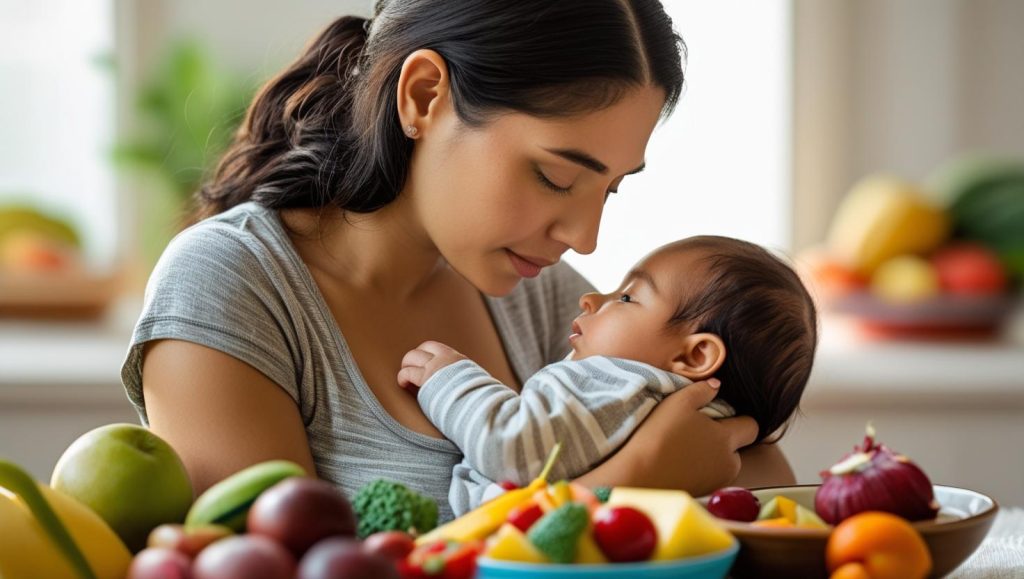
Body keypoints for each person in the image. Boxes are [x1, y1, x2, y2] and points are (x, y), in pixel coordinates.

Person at [121, 0, 795, 523]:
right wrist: (617, 485)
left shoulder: (544, 296)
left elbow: (757, 464)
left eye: (610, 188)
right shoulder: (230, 288)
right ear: (422, 96)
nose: (585, 236)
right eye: (556, 178)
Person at [398, 236, 818, 515]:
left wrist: (451, 380)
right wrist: (639, 470)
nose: (591, 299)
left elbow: (509, 448)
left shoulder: (606, 381)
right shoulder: (710, 423)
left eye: (627, 296)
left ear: (696, 356)